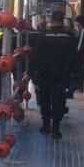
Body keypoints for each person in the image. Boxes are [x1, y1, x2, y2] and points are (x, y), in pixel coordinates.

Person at [28, 10, 79, 139]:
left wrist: (30, 72)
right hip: (62, 74)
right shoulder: (70, 36)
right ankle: (56, 129)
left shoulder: (44, 35)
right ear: (63, 21)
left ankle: (46, 125)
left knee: (45, 99)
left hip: (45, 74)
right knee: (59, 100)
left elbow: (36, 56)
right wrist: (76, 74)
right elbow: (75, 57)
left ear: (51, 21)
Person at [74, 14, 84, 91]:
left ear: (80, 23)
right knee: (80, 71)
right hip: (82, 55)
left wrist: (76, 54)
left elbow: (80, 44)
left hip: (80, 55)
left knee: (79, 71)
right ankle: (80, 86)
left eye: (76, 22)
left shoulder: (83, 31)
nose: (76, 24)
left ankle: (78, 86)